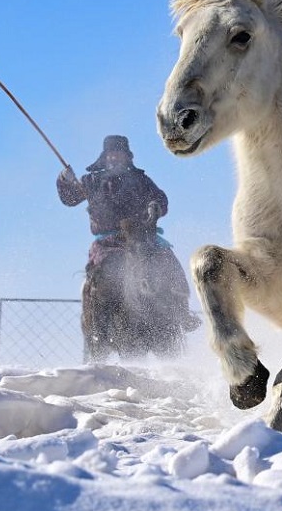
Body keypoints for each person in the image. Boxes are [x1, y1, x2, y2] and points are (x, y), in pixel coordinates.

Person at [57, 135, 199, 360]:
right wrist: (65, 181)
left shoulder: (141, 180)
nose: (115, 157)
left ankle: (181, 311)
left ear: (127, 156)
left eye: (119, 153)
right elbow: (70, 198)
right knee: (103, 277)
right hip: (108, 242)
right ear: (104, 157)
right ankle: (99, 326)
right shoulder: (91, 182)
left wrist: (155, 207)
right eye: (111, 154)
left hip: (142, 238)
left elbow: (161, 199)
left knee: (168, 261)